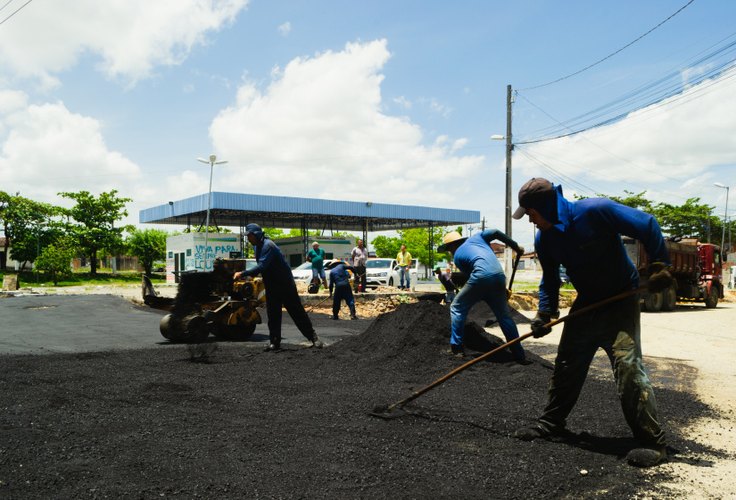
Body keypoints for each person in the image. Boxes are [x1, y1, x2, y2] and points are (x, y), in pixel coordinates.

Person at [510, 177, 672, 468]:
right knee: (567, 364)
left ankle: (652, 442)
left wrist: (661, 265)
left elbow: (647, 224)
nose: (531, 221)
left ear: (546, 207)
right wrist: (544, 314)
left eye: (531, 214)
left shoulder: (595, 211)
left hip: (621, 298)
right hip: (587, 302)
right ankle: (551, 424)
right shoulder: (545, 239)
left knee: (628, 368)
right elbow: (549, 279)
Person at [438, 229, 527, 363]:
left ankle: (456, 347)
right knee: (504, 317)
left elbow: (476, 281)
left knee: (457, 307)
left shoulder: (457, 257)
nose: (450, 252)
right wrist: (515, 247)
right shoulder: (478, 237)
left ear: (451, 246)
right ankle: (519, 354)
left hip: (481, 277)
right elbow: (496, 232)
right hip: (499, 276)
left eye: (449, 249)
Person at [233, 224, 323, 352]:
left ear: (257, 234)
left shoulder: (268, 246)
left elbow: (262, 266)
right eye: (247, 236)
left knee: (296, 312)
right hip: (271, 284)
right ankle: (274, 342)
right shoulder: (256, 246)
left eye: (250, 235)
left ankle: (313, 338)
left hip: (284, 284)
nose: (248, 238)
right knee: (273, 314)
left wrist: (242, 273)